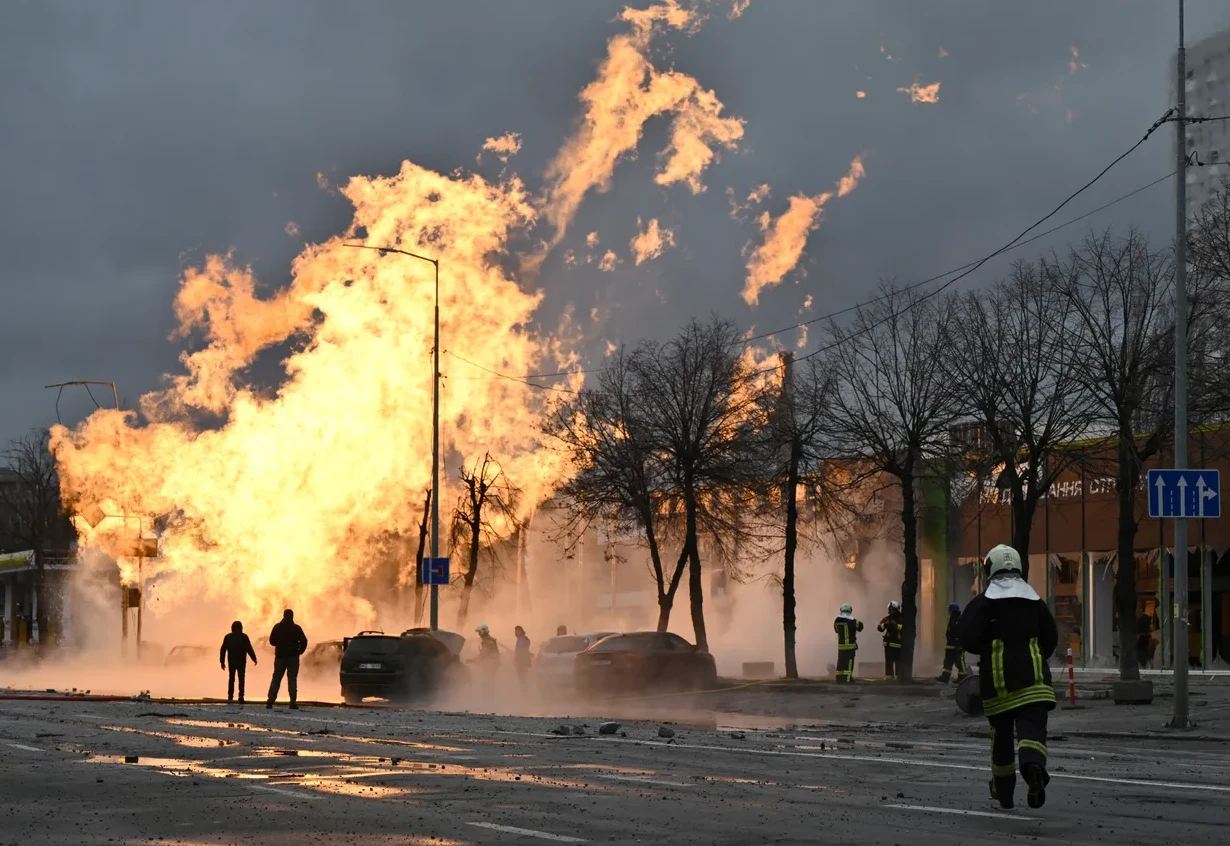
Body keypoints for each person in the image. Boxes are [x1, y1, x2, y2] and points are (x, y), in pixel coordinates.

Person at [958, 544, 1058, 810]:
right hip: (1035, 681)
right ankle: (1033, 766)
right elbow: (1051, 638)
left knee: (1001, 736)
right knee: (1032, 729)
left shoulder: (983, 603)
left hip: (998, 686)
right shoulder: (1036, 601)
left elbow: (966, 637)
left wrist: (987, 648)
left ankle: (1004, 793)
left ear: (989, 568)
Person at [266, 609, 308, 710]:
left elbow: (271, 641)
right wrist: (299, 651)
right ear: (292, 616)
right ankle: (292, 702)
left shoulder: (277, 627)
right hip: (293, 657)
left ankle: (270, 701)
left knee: (276, 679)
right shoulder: (296, 628)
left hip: (280, 657)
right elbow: (304, 641)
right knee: (292, 679)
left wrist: (280, 645)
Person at [219, 621, 258, 704]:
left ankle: (230, 696)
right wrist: (254, 658)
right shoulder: (244, 637)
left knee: (231, 678)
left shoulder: (228, 637)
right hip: (241, 661)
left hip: (231, 661)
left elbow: (223, 650)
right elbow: (249, 648)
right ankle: (241, 696)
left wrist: (222, 662)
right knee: (241, 678)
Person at [937, 603, 968, 683]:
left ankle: (963, 677)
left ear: (953, 611)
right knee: (947, 662)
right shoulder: (952, 619)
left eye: (949, 610)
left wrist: (960, 645)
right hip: (950, 646)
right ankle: (945, 677)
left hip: (958, 646)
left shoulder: (959, 620)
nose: (948, 612)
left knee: (959, 662)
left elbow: (960, 633)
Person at [833, 604, 863, 683]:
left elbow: (836, 630)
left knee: (841, 662)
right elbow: (860, 627)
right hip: (850, 646)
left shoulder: (837, 620)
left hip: (841, 646)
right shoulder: (852, 621)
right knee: (849, 662)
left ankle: (839, 679)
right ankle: (848, 679)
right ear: (850, 610)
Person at [877, 601, 903, 681]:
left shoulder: (901, 618)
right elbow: (879, 628)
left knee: (898, 662)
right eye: (890, 609)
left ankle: (899, 677)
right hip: (888, 644)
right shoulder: (886, 619)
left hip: (898, 644)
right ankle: (889, 677)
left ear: (897, 610)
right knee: (888, 661)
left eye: (893, 610)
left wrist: (894, 624)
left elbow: (903, 628)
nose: (891, 611)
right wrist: (884, 625)